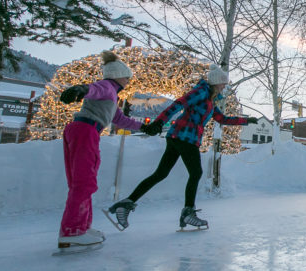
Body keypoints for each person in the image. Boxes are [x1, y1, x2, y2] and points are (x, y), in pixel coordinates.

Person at [107, 65, 257, 230]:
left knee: (161, 173)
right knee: (196, 172)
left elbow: (222, 119)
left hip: (178, 137)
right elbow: (178, 104)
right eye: (222, 83)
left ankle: (126, 204)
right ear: (215, 82)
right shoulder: (201, 92)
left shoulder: (210, 100)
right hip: (185, 137)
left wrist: (246, 121)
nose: (224, 86)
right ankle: (188, 213)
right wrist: (158, 122)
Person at [57, 51, 155, 250]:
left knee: (81, 182)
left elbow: (120, 119)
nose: (129, 79)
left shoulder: (111, 96)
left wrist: (144, 127)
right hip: (86, 131)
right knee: (84, 183)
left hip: (81, 131)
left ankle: (82, 227)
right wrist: (82, 89)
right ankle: (72, 231)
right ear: (117, 75)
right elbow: (94, 89)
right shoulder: (107, 86)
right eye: (127, 75)